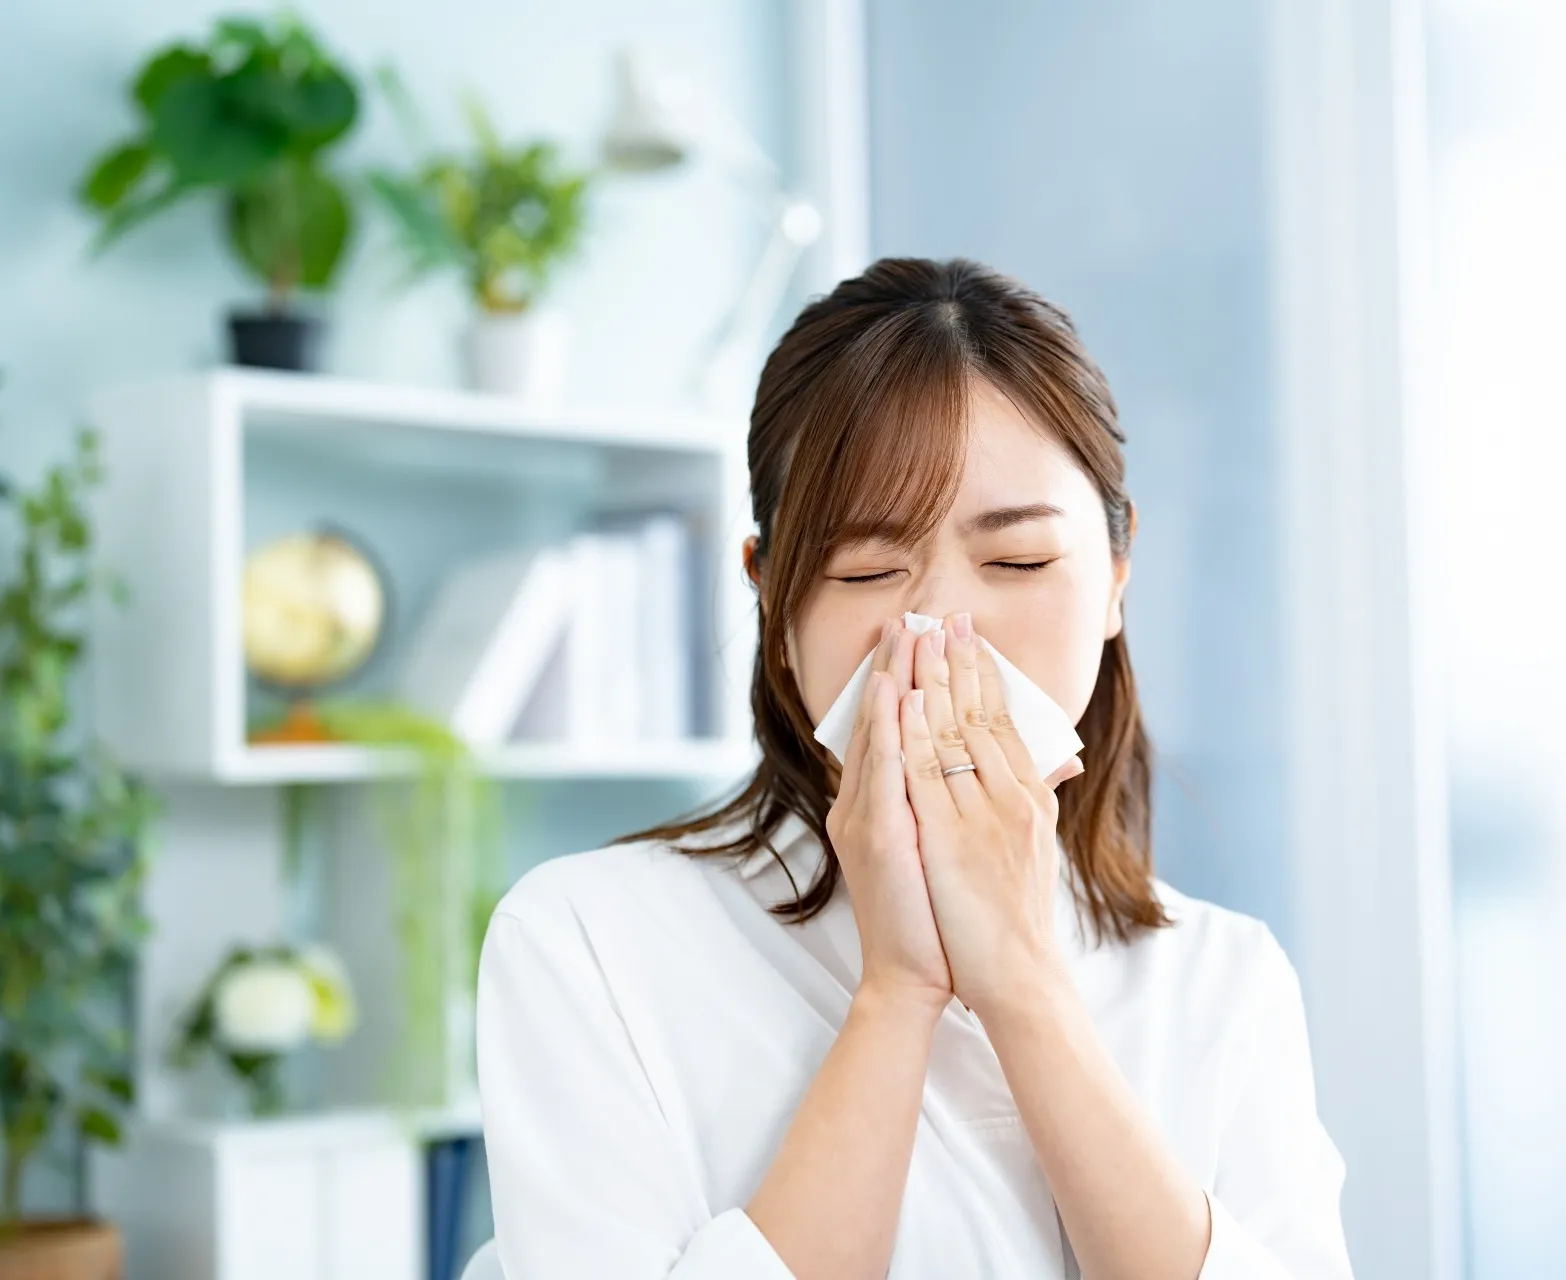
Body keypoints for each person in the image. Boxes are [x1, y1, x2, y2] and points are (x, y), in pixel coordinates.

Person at [474, 257, 1354, 1278]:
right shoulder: (587, 940)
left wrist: (1020, 980)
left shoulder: (1223, 978)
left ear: (1115, 576)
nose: (941, 630)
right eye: (867, 570)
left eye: (1017, 561)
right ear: (772, 596)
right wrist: (895, 993)